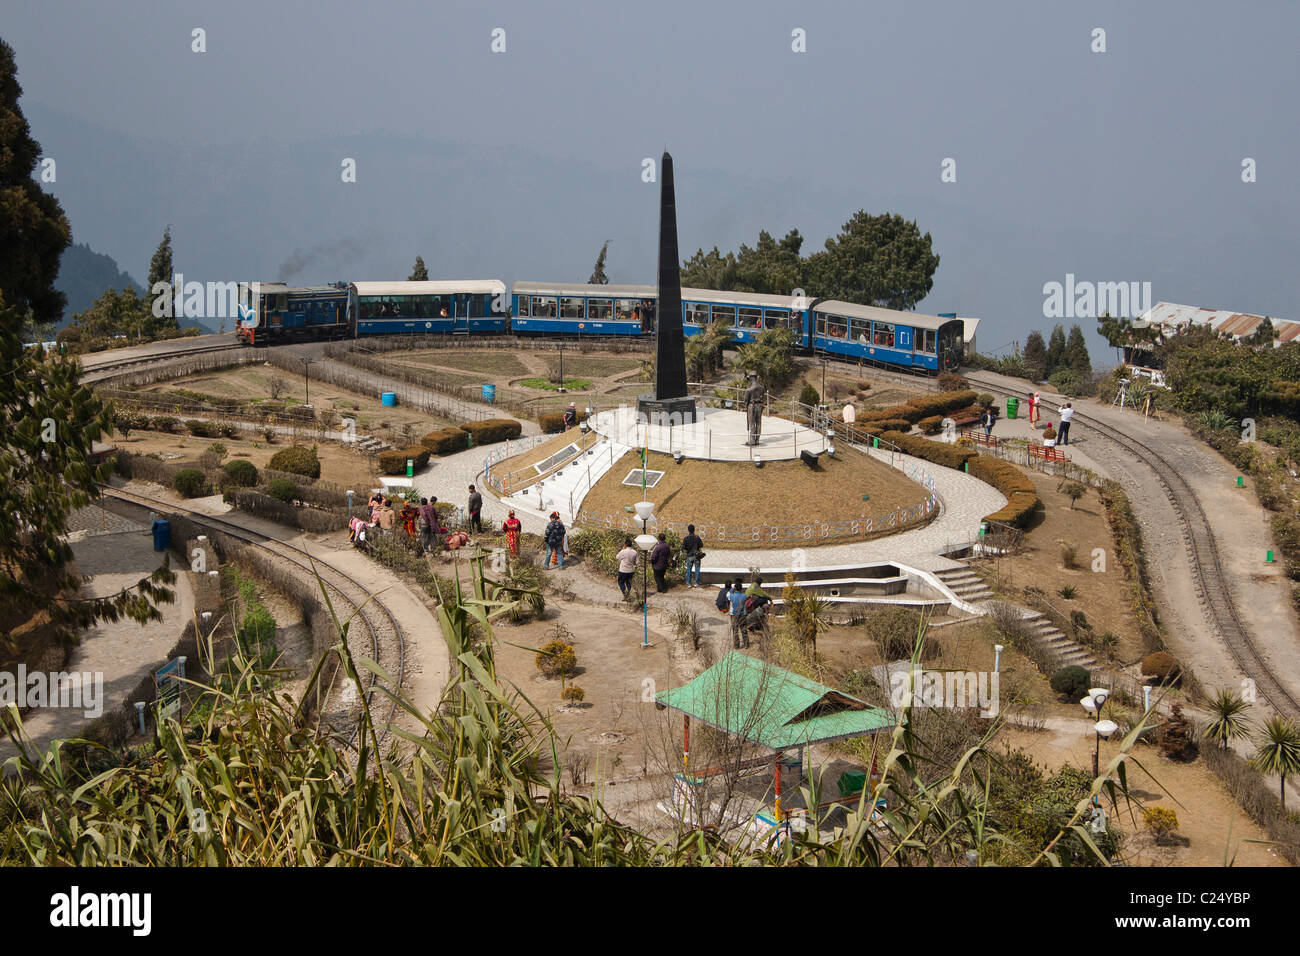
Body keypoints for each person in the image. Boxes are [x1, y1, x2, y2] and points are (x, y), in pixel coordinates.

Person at [728, 577, 749, 648]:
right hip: (743, 614)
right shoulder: (744, 596)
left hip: (734, 615)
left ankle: (736, 645)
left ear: (735, 589)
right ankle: (746, 644)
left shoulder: (732, 596)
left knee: (735, 630)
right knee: (744, 630)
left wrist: (732, 588)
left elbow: (728, 593)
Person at [681, 524, 704, 588]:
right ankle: (696, 583)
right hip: (696, 556)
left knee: (689, 570)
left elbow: (684, 548)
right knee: (697, 569)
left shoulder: (686, 538)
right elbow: (701, 545)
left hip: (689, 556)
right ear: (694, 530)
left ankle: (688, 583)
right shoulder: (697, 537)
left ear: (688, 530)